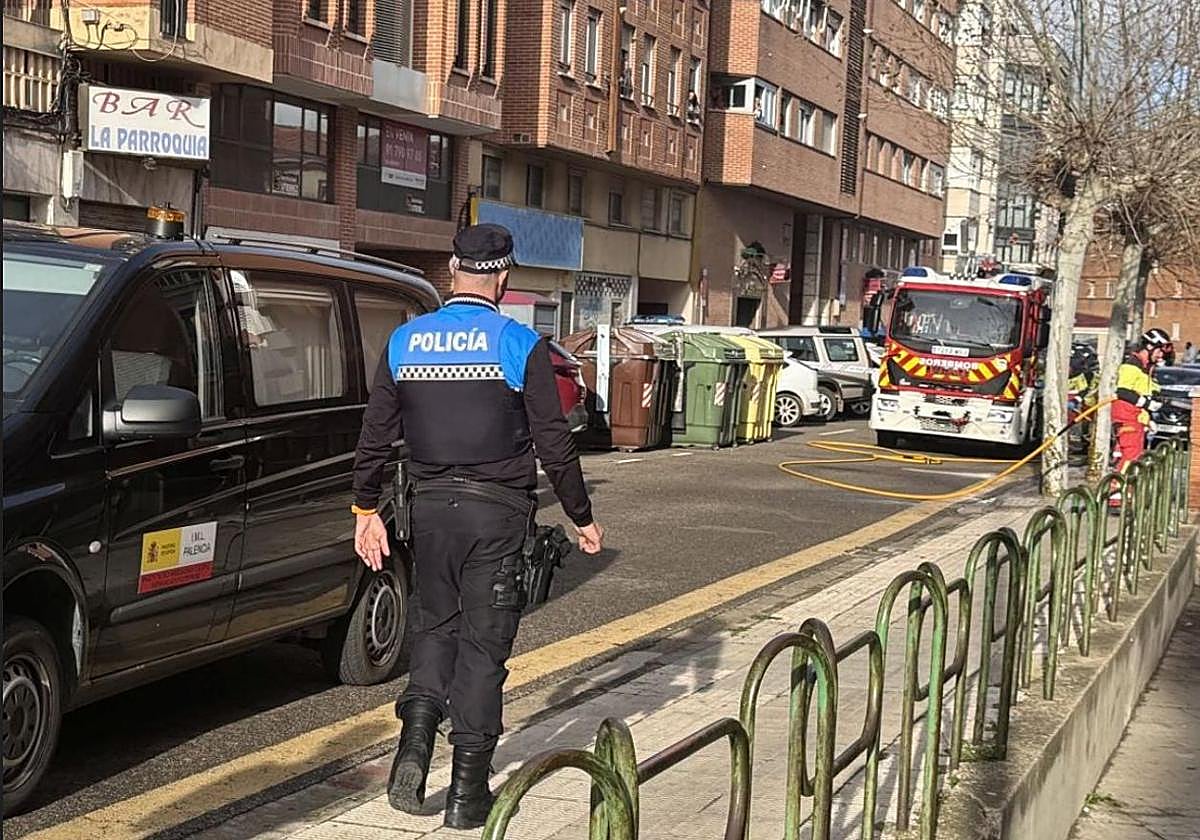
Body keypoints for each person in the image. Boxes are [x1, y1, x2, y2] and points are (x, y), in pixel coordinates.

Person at [350, 224, 604, 828]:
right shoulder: (519, 343)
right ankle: (467, 795)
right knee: (484, 649)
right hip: (496, 513)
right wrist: (581, 516)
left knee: (435, 627)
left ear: (451, 269)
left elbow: (376, 435)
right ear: (504, 277)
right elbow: (554, 444)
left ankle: (412, 746)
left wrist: (365, 509)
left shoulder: (406, 340)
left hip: (429, 511)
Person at [1111, 328, 1169, 476]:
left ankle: (1124, 492)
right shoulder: (1132, 365)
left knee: (1130, 457)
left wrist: (1148, 418)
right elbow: (1123, 391)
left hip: (1136, 418)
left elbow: (1146, 390)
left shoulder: (1146, 368)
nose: (1161, 356)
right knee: (1130, 458)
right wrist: (1148, 404)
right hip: (1127, 418)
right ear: (1149, 347)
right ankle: (1117, 494)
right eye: (1159, 351)